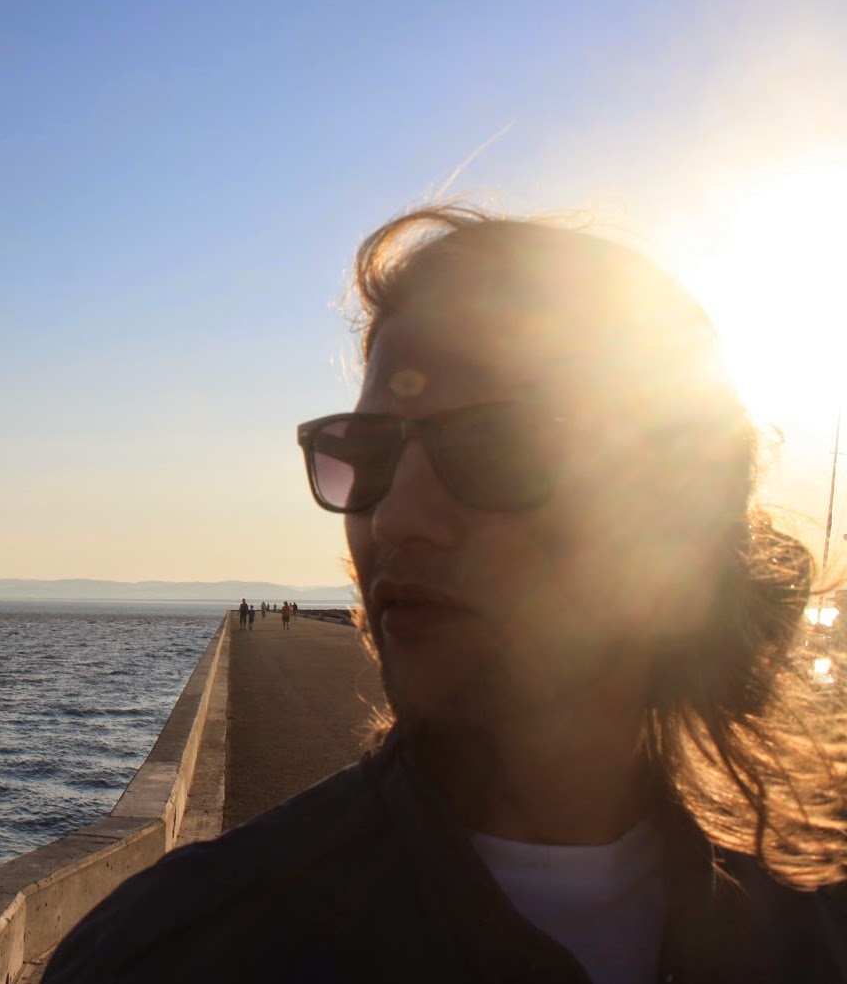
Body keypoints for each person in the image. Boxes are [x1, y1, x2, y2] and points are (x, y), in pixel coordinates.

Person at [44, 205, 847, 982]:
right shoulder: (170, 956)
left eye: (500, 446)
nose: (396, 518)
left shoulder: (817, 922)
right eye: (365, 453)